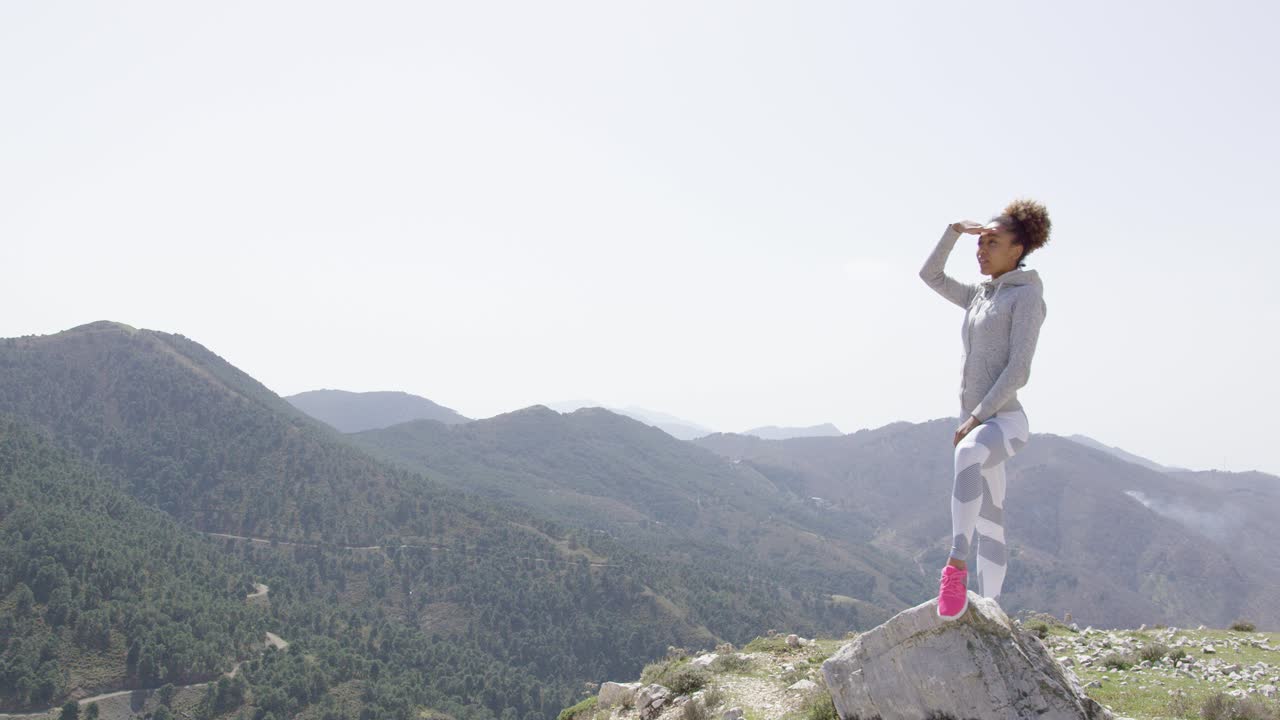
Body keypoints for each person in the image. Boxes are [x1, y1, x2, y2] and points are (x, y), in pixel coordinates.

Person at [918, 198, 1051, 620]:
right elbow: (930, 275)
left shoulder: (1026, 298)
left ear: (1018, 249)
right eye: (982, 241)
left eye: (992, 242)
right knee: (991, 520)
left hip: (1005, 422)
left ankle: (955, 565)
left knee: (968, 453)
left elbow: (1019, 369)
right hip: (975, 422)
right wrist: (954, 231)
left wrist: (977, 416)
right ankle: (991, 610)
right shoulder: (980, 295)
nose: (983, 249)